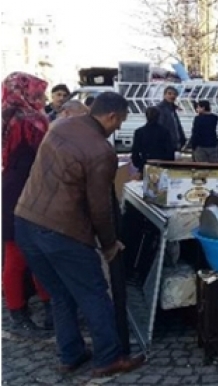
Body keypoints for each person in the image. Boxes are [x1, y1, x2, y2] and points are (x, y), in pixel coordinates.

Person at [15, 92, 146, 377]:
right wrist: (109, 244)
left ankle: (71, 354)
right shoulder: (101, 151)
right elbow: (101, 208)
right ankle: (109, 358)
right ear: (112, 116)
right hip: (62, 230)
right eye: (121, 121)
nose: (119, 128)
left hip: (25, 220)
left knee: (61, 294)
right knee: (94, 295)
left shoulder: (60, 126)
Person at [2, 72, 52, 332]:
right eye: (38, 92)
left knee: (20, 254)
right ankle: (33, 310)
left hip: (12, 189)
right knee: (27, 253)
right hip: (27, 191)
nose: (43, 97)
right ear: (26, 92)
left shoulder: (5, 116)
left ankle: (24, 309)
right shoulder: (30, 121)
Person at [131, 106, 175, 172]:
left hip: (145, 165)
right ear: (158, 116)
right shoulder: (165, 131)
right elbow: (170, 152)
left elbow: (135, 153)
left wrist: (140, 165)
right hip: (162, 165)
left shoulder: (139, 132)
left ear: (146, 116)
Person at [157, 86, 186, 152]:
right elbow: (160, 126)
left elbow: (177, 126)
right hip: (166, 144)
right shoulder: (161, 109)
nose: (172, 96)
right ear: (164, 95)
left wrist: (182, 139)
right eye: (169, 94)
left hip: (175, 144)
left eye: (174, 94)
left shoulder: (172, 109)